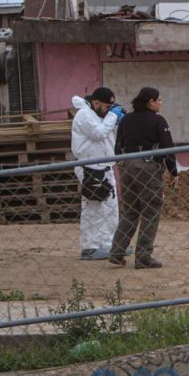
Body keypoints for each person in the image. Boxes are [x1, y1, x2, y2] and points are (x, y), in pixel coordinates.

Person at [108, 87, 178, 269]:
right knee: (151, 210)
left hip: (126, 166)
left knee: (130, 211)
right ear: (150, 102)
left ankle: (117, 251)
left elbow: (117, 145)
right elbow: (167, 147)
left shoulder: (126, 120)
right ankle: (143, 256)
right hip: (147, 167)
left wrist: (122, 166)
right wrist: (173, 171)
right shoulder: (157, 121)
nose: (161, 103)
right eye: (159, 100)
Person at [70, 87, 125, 260]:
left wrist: (116, 120)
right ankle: (90, 247)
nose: (109, 110)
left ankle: (108, 244)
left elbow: (107, 135)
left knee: (110, 209)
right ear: (96, 103)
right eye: (107, 106)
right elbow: (98, 134)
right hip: (90, 168)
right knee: (93, 208)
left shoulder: (100, 116)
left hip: (105, 166)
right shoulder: (84, 115)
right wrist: (113, 116)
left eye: (111, 107)